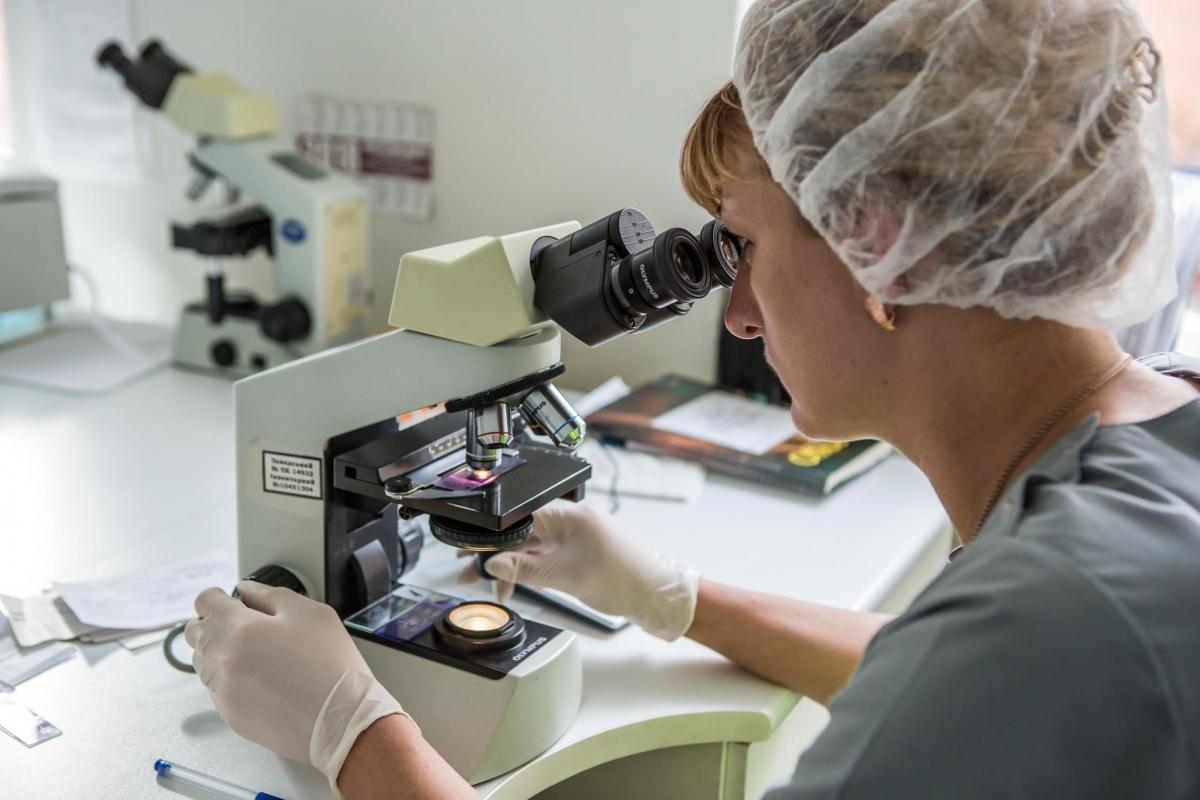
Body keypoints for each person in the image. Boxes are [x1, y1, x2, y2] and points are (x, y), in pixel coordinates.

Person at [185, 0, 1200, 797]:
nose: (742, 314)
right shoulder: (1155, 443)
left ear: (879, 244)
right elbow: (961, 685)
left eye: (741, 247)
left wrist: (353, 732)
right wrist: (672, 596)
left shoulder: (1058, 619)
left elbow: (998, 666)